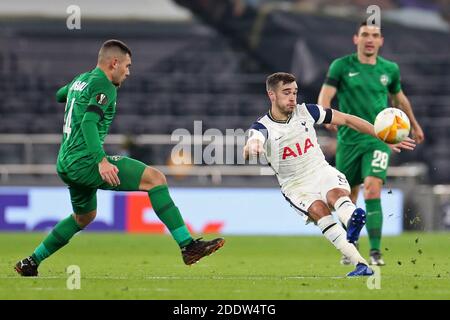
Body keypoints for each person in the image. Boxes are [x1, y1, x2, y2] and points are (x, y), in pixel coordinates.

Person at [15, 40, 225, 277]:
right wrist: (101, 161)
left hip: (65, 161)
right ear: (114, 63)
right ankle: (188, 246)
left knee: (84, 217)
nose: (128, 72)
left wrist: (78, 90)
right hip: (85, 160)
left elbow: (59, 95)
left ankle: (31, 262)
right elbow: (88, 122)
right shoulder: (105, 86)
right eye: (126, 66)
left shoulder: (80, 80)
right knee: (155, 179)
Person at [244, 72, 415, 276]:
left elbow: (347, 120)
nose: (292, 98)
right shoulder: (263, 126)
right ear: (271, 95)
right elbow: (253, 141)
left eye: (295, 92)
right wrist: (251, 147)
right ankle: (361, 264)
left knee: (336, 195)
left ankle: (353, 220)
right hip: (296, 185)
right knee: (319, 211)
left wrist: (381, 136)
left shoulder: (307, 111)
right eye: (286, 92)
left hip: (320, 170)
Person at [318, 22, 424, 266]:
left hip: (378, 140)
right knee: (349, 196)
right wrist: (327, 115)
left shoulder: (390, 69)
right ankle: (351, 247)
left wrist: (414, 124)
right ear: (356, 39)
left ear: (381, 41)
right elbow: (326, 93)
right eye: (365, 34)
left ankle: (376, 252)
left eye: (375, 35)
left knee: (373, 188)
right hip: (348, 141)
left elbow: (399, 98)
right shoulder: (341, 66)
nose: (369, 39)